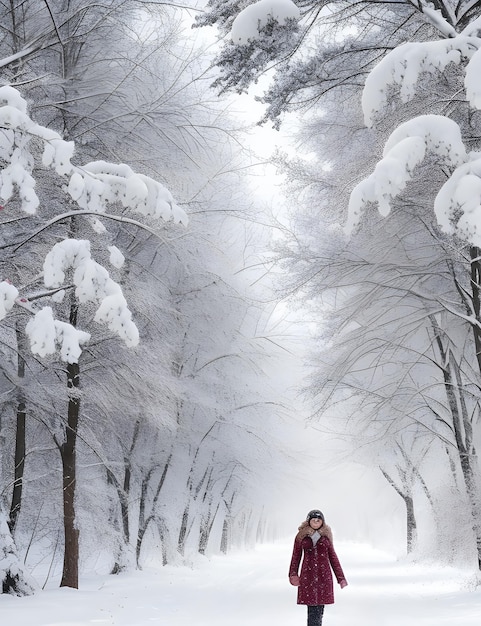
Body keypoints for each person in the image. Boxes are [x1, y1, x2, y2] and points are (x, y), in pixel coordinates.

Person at [289, 509, 347, 626]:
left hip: (323, 577)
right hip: (308, 577)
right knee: (312, 609)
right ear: (308, 521)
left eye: (318, 520)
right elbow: (296, 556)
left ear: (322, 522)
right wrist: (293, 574)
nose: (316, 522)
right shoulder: (301, 536)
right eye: (313, 520)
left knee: (320, 608)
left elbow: (333, 557)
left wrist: (341, 578)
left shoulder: (326, 537)